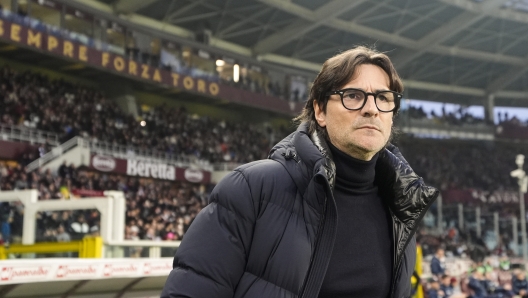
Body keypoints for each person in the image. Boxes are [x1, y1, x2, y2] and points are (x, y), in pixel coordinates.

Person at [161, 46, 439, 298]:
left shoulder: (400, 209)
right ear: (319, 110)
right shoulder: (249, 189)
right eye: (353, 96)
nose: (371, 109)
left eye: (383, 98)